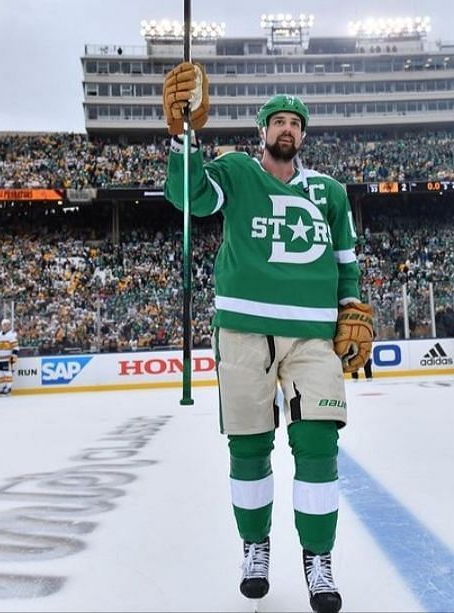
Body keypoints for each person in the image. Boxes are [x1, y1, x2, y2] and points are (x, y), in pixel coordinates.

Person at [163, 64, 373, 613]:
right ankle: (255, 547)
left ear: (303, 135)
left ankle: (318, 559)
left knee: (319, 446)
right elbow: (192, 200)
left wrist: (351, 309)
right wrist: (184, 140)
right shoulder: (235, 171)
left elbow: (346, 265)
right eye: (277, 122)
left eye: (294, 124)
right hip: (243, 329)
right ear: (263, 131)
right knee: (250, 447)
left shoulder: (329, 192)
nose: (286, 130)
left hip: (312, 336)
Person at [0, 318, 19, 396]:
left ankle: (8, 388)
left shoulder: (12, 335)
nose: (6, 326)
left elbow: (15, 347)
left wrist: (14, 356)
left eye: (8, 325)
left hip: (7, 358)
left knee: (7, 373)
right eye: (5, 325)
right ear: (2, 326)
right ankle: (3, 387)